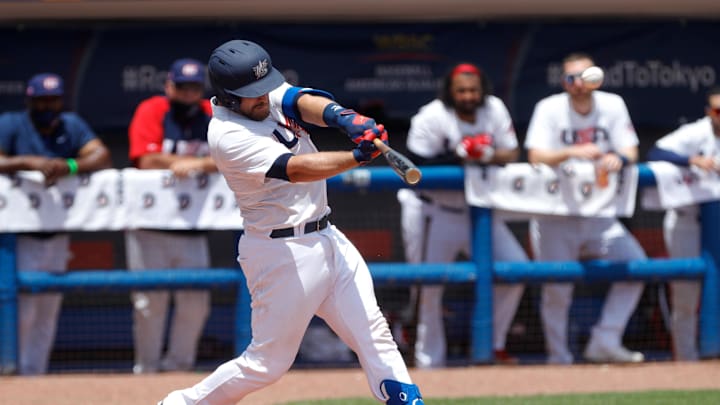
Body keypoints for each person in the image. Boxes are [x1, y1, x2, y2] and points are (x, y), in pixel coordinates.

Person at [158, 39, 423, 405]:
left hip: (328, 235)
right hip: (281, 252)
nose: (263, 98)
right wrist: (356, 155)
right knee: (267, 364)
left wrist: (344, 118)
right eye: (252, 95)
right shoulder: (227, 135)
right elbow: (295, 170)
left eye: (264, 88)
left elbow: (299, 101)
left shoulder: (261, 91)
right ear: (228, 97)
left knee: (375, 335)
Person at [398, 62, 526, 368]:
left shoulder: (493, 109)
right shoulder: (431, 115)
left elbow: (512, 151)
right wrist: (458, 154)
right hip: (433, 210)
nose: (468, 96)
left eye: (473, 90)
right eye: (461, 91)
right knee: (428, 289)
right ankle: (430, 361)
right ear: (450, 93)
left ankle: (492, 345)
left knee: (517, 269)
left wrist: (487, 153)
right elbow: (414, 165)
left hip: (478, 211)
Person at [524, 52, 646, 364]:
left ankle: (604, 339)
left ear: (596, 77)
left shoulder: (612, 104)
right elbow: (535, 155)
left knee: (637, 267)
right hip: (556, 213)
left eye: (583, 76)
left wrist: (621, 157)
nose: (577, 83)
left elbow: (630, 148)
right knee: (558, 290)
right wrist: (570, 151)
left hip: (600, 213)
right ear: (563, 82)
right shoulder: (549, 108)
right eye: (570, 78)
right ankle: (559, 357)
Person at [0, 73, 112, 374]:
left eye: (53, 99)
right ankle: (10, 372)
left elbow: (101, 155)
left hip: (57, 233)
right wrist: (29, 162)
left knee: (47, 311)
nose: (48, 105)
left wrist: (70, 165)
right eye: (41, 100)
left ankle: (35, 375)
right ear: (30, 100)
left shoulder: (70, 124)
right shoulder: (12, 123)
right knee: (20, 310)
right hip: (16, 239)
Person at [126, 58, 215, 374]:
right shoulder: (153, 109)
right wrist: (183, 161)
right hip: (149, 226)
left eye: (194, 87)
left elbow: (232, 156)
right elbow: (145, 158)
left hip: (192, 226)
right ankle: (147, 371)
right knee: (150, 305)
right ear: (169, 86)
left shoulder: (211, 112)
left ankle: (179, 369)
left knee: (196, 305)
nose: (189, 94)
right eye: (182, 87)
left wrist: (198, 165)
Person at [645, 87, 720, 361]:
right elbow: (656, 152)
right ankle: (686, 362)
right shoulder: (695, 133)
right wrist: (692, 160)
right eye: (717, 110)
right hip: (687, 221)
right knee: (685, 297)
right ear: (708, 112)